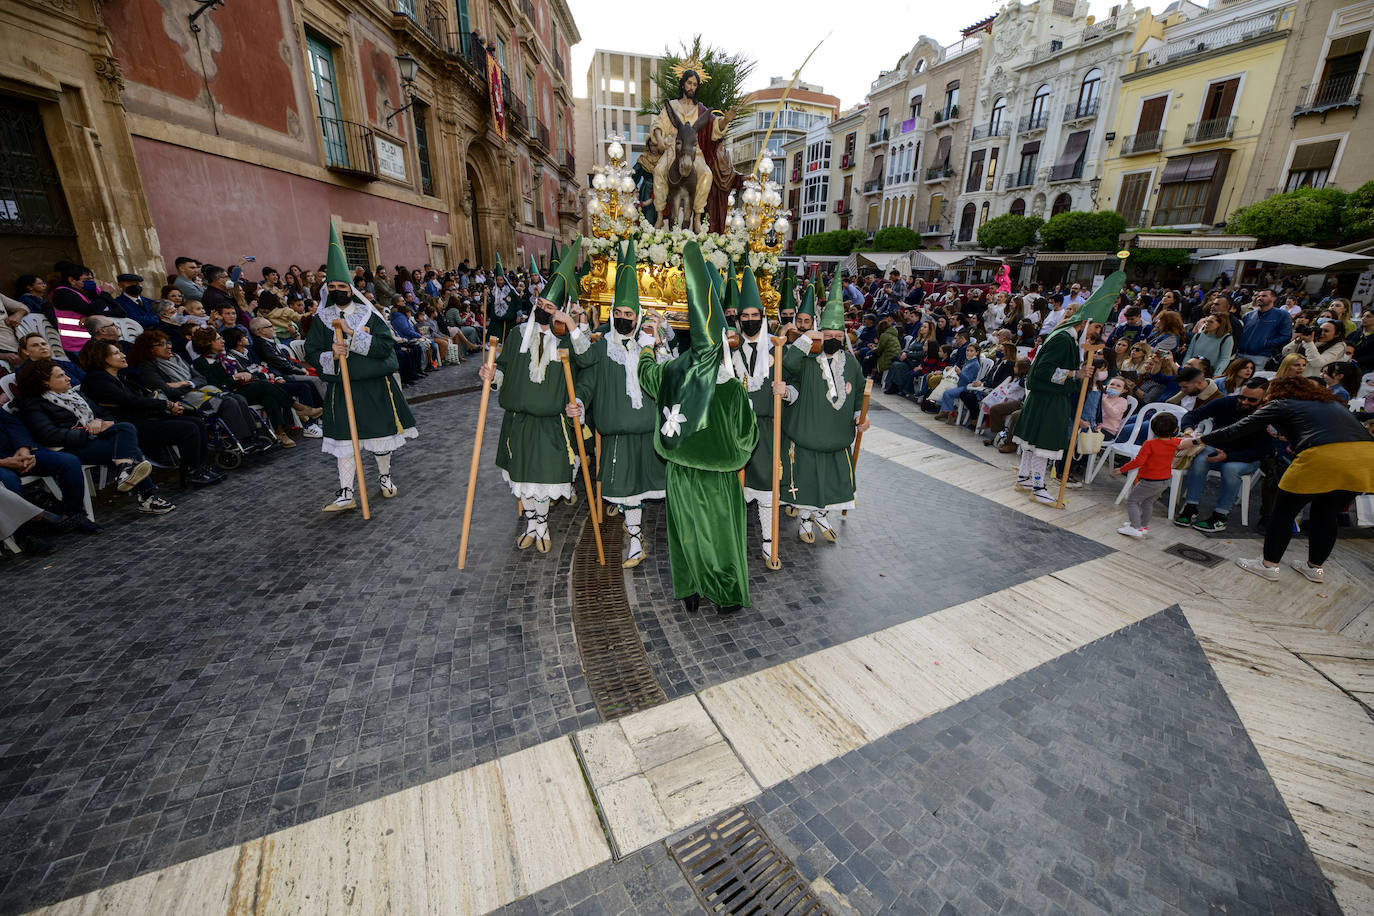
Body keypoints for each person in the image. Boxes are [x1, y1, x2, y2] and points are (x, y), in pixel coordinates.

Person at [637, 241, 757, 612]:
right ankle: (725, 595)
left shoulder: (673, 373)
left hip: (678, 475)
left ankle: (689, 592)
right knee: (719, 536)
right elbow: (747, 437)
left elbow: (645, 376)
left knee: (685, 532)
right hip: (718, 481)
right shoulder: (733, 388)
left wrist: (647, 343)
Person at [1180, 376, 1374, 583]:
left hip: (1322, 455)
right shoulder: (1329, 403)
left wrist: (1196, 440)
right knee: (1327, 514)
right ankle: (1314, 568)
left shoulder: (1282, 403)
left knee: (1283, 512)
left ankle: (1268, 565)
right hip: (1365, 457)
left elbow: (1238, 428)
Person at [478, 242, 587, 551]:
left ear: (560, 311)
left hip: (552, 423)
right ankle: (534, 525)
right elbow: (504, 371)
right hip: (519, 421)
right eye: (541, 303)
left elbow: (587, 364)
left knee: (544, 479)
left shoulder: (568, 343)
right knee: (523, 477)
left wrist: (572, 328)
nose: (543, 309)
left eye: (551, 307)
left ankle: (540, 524)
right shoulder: (515, 336)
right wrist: (491, 376)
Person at [305, 226, 419, 511]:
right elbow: (311, 351)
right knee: (345, 438)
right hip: (342, 387)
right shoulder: (321, 319)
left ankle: (384, 477)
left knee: (380, 435)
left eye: (342, 288)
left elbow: (384, 346)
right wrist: (331, 351)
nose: (337, 292)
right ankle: (346, 491)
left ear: (351, 289)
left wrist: (353, 337)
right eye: (331, 288)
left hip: (373, 387)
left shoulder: (370, 314)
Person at [569, 242, 668, 568]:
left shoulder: (648, 346)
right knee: (626, 492)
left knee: (650, 488)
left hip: (649, 435)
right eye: (620, 313)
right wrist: (579, 403)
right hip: (616, 437)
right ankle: (635, 540)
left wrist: (661, 339)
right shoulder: (601, 348)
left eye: (630, 314)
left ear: (638, 317)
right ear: (612, 315)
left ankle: (654, 539)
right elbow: (585, 378)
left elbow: (669, 375)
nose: (624, 318)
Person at [1012, 273, 1122, 503]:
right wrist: (1075, 373)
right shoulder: (1063, 339)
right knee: (1043, 442)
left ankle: (1025, 477)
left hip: (1047, 397)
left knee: (1034, 441)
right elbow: (1042, 371)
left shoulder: (1068, 339)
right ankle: (1038, 485)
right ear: (1085, 323)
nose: (1097, 333)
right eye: (1096, 327)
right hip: (1048, 398)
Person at [14, 358, 175, 514]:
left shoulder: (74, 395)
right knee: (126, 449)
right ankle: (144, 492)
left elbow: (104, 414)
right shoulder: (34, 404)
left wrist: (101, 421)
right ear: (44, 383)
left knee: (125, 428)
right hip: (69, 448)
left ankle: (126, 470)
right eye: (60, 376)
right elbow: (49, 435)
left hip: (93, 438)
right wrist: (87, 431)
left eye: (65, 374)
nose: (68, 378)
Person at [781, 277, 870, 545]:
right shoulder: (808, 360)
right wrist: (807, 339)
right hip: (808, 435)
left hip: (837, 438)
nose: (832, 339)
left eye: (837, 336)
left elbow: (858, 395)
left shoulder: (851, 363)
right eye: (828, 335)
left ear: (844, 336)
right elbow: (788, 362)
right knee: (807, 481)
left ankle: (821, 515)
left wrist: (859, 417)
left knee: (830, 482)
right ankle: (805, 520)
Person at [77, 338, 224, 486]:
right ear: (101, 358)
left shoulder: (119, 377)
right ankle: (190, 472)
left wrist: (167, 406)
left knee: (196, 421)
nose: (123, 355)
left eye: (121, 351)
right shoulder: (96, 380)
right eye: (116, 353)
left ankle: (199, 467)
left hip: (142, 419)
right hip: (129, 426)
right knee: (188, 428)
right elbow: (129, 401)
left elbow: (139, 398)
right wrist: (165, 404)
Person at [728, 264, 789, 558]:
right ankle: (734, 540)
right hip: (737, 430)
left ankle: (768, 540)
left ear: (763, 319)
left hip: (766, 429)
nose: (750, 320)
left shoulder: (777, 350)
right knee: (735, 487)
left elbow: (799, 385)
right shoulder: (730, 352)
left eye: (755, 316)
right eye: (745, 317)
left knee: (766, 485)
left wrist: (787, 391)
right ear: (738, 320)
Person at [1172, 377, 1273, 532]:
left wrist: (1228, 456)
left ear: (1263, 398)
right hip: (1217, 448)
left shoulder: (1267, 415)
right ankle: (1191, 506)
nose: (1245, 402)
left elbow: (1260, 451)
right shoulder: (1227, 402)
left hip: (1245, 457)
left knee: (1231, 469)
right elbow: (1192, 415)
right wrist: (1188, 431)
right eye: (1242, 397)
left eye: (1252, 400)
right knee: (1201, 460)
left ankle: (1221, 516)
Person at [191, 327, 301, 448]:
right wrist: (234, 378)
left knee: (268, 396)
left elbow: (245, 371)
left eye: (221, 338)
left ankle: (280, 432)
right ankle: (296, 407)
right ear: (207, 343)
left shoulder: (226, 355)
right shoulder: (201, 363)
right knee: (265, 385)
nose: (222, 341)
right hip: (228, 393)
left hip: (245, 388)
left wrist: (248, 375)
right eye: (218, 339)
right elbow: (214, 386)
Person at [0, 406, 96, 529]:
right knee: (9, 481)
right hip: (2, 464)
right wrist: (4, 462)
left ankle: (74, 515)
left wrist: (24, 448)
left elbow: (12, 422)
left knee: (69, 461)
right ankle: (24, 535)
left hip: (15, 453)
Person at [1114, 411, 1181, 538]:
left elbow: (1138, 461)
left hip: (1149, 481)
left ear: (1152, 429)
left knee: (1132, 501)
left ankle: (1135, 527)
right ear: (1175, 430)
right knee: (1148, 503)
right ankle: (1143, 526)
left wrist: (1122, 469)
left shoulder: (1149, 444)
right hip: (1165, 480)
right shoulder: (1175, 442)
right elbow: (1185, 441)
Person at [1235, 289, 1291, 367]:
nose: (1259, 298)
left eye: (1264, 296)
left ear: (1273, 298)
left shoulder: (1282, 315)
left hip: (1260, 356)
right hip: (1239, 355)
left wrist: (1266, 344)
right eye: (1258, 296)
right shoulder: (1248, 315)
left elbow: (1286, 336)